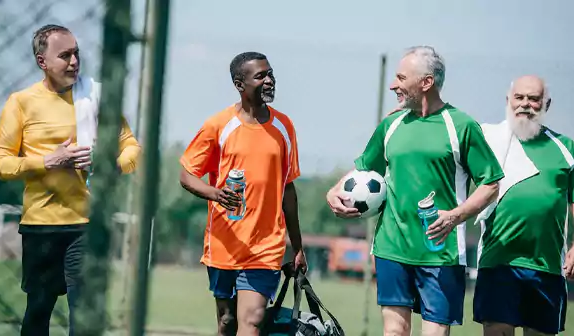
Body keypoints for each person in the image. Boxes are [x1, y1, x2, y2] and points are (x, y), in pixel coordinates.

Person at [326, 46, 505, 336]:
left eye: (400, 77)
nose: (393, 85)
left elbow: (491, 183)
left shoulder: (461, 126)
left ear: (426, 82)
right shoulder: (391, 124)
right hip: (391, 247)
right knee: (394, 332)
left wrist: (455, 216)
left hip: (440, 254)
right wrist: (334, 190)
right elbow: (363, 169)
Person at [0, 24, 141, 336]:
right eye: (64, 55)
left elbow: (132, 149)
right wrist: (48, 161)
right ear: (42, 61)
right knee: (38, 313)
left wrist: (111, 165)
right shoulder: (21, 102)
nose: (74, 62)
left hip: (87, 224)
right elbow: (0, 162)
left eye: (76, 54)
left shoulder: (97, 97)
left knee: (83, 315)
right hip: (41, 226)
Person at [178, 51, 307, 336]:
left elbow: (288, 188)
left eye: (270, 73)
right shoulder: (218, 125)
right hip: (225, 242)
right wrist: (215, 194)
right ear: (240, 83)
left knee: (253, 320)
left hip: (265, 247)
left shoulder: (284, 127)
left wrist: (297, 246)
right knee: (227, 321)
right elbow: (186, 175)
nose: (269, 80)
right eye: (260, 76)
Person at [473, 75, 574, 336]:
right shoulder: (486, 138)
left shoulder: (566, 148)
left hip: (547, 266)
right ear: (508, 101)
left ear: (546, 104)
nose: (525, 104)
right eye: (519, 97)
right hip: (498, 261)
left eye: (533, 99)